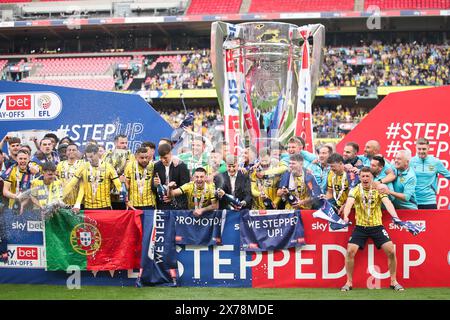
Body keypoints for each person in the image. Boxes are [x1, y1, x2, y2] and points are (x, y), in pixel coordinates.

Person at [340, 167, 404, 291]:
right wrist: (346, 216)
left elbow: (388, 203)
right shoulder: (355, 190)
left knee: (391, 251)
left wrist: (395, 216)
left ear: (372, 177)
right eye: (362, 176)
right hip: (360, 227)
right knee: (350, 252)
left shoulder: (379, 189)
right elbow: (349, 203)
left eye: (367, 176)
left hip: (377, 226)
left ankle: (394, 281)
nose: (365, 178)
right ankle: (349, 282)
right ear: (359, 178)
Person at [68, 144, 122, 211]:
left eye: (91, 156)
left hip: (105, 206)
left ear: (97, 154)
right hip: (88, 207)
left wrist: (125, 199)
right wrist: (76, 204)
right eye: (87, 157)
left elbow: (118, 185)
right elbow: (71, 185)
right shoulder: (83, 167)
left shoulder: (108, 167)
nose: (89, 159)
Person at [410, 138, 450, 209]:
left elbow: (448, 175)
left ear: (428, 148)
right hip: (413, 201)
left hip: (429, 201)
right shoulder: (410, 162)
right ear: (416, 148)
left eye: (424, 149)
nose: (421, 151)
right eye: (419, 149)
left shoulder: (436, 162)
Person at [152, 143, 190, 210]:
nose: (163, 160)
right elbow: (153, 188)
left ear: (170, 154)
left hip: (178, 205)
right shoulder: (157, 166)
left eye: (165, 158)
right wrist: (155, 185)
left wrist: (172, 196)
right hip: (162, 205)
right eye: (161, 158)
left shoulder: (181, 166)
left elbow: (185, 186)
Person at [102, 134, 134, 210]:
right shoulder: (107, 155)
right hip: (108, 192)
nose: (125, 145)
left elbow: (131, 172)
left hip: (124, 190)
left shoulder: (131, 155)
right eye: (122, 143)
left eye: (126, 143)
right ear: (115, 143)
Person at [56, 143, 84, 208]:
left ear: (77, 152)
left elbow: (82, 185)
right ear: (66, 152)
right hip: (62, 202)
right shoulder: (60, 165)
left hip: (78, 203)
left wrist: (78, 203)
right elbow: (56, 182)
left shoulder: (82, 164)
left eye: (74, 150)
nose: (71, 151)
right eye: (69, 150)